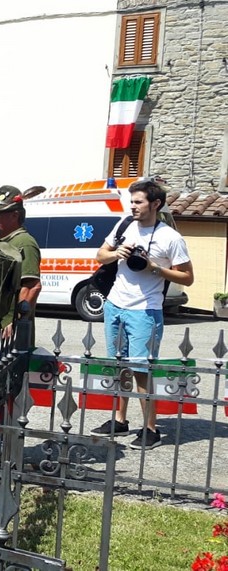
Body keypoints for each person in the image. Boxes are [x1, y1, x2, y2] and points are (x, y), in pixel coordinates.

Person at [91, 179, 193, 450]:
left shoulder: (171, 237)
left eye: (138, 202)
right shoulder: (124, 225)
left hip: (145, 310)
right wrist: (116, 254)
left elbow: (187, 277)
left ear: (155, 204)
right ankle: (120, 420)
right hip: (115, 305)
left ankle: (151, 429)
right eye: (132, 201)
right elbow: (100, 255)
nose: (133, 206)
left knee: (141, 371)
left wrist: (153, 268)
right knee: (119, 365)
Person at [0, 185, 42, 342]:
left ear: (14, 215)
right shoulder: (0, 241)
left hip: (9, 335)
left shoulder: (24, 243)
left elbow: (31, 286)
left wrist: (16, 320)